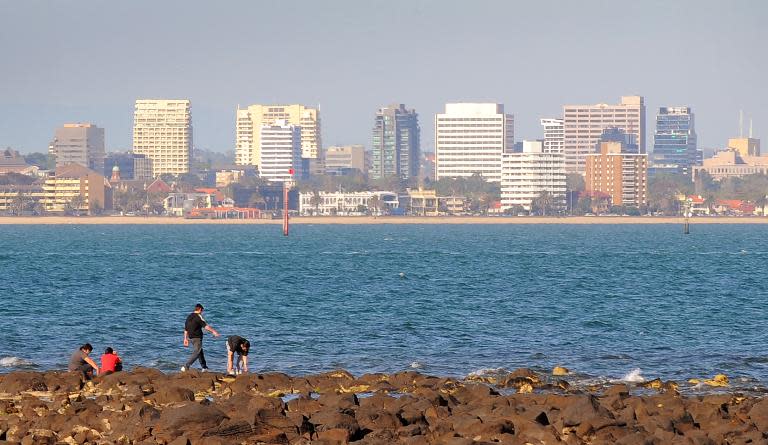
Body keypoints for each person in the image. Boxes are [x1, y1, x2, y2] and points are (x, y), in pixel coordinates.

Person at [182, 303, 219, 372]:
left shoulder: (189, 316)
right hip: (197, 337)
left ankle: (204, 367)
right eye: (202, 311)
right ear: (200, 309)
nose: (202, 312)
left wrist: (185, 339)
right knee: (197, 352)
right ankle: (186, 366)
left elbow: (186, 329)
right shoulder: (198, 316)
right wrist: (214, 331)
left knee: (200, 352)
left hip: (191, 337)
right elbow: (205, 326)